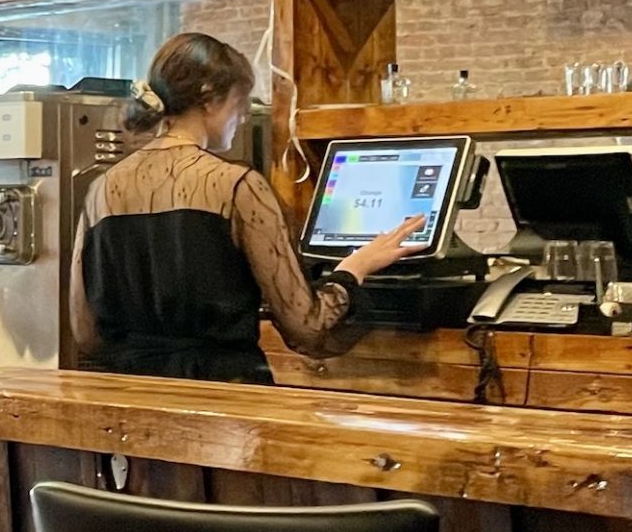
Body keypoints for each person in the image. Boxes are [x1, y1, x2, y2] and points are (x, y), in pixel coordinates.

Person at [70, 32, 427, 383]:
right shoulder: (237, 185)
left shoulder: (103, 188)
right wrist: (353, 269)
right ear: (209, 99)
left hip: (129, 394)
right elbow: (306, 327)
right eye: (239, 102)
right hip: (222, 394)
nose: (242, 117)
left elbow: (85, 332)